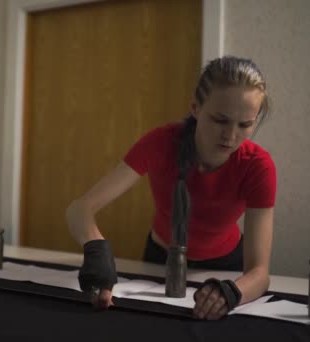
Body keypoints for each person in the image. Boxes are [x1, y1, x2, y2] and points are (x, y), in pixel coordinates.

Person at [65, 56, 276, 320]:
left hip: (225, 270)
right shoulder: (161, 142)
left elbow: (259, 273)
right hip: (158, 260)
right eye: (220, 120)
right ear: (195, 107)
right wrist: (96, 249)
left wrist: (230, 293)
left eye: (245, 125)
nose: (230, 136)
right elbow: (79, 209)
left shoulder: (259, 166)